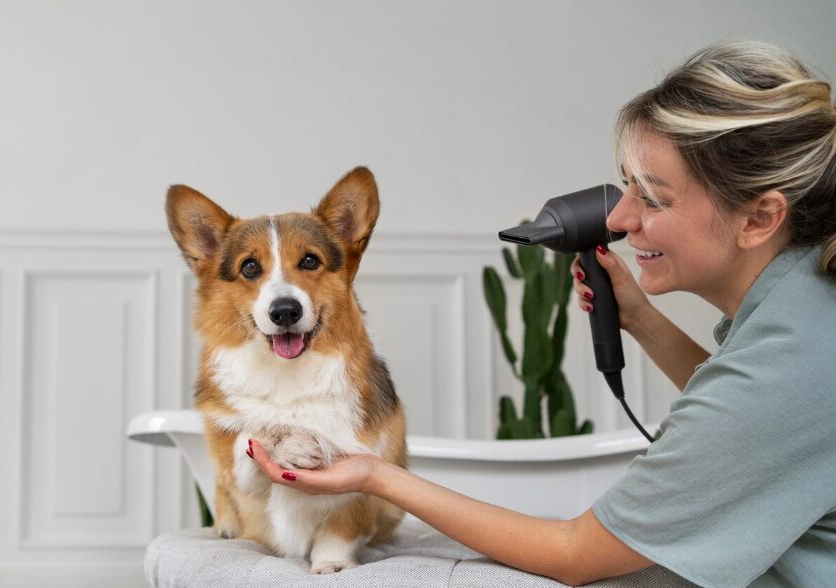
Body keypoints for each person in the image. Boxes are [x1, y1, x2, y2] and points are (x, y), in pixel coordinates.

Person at [248, 40, 836, 587]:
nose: (622, 217)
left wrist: (377, 476)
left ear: (759, 218)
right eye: (626, 186)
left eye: (653, 197)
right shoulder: (803, 306)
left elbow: (576, 553)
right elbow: (751, 422)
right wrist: (642, 320)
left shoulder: (795, 358)